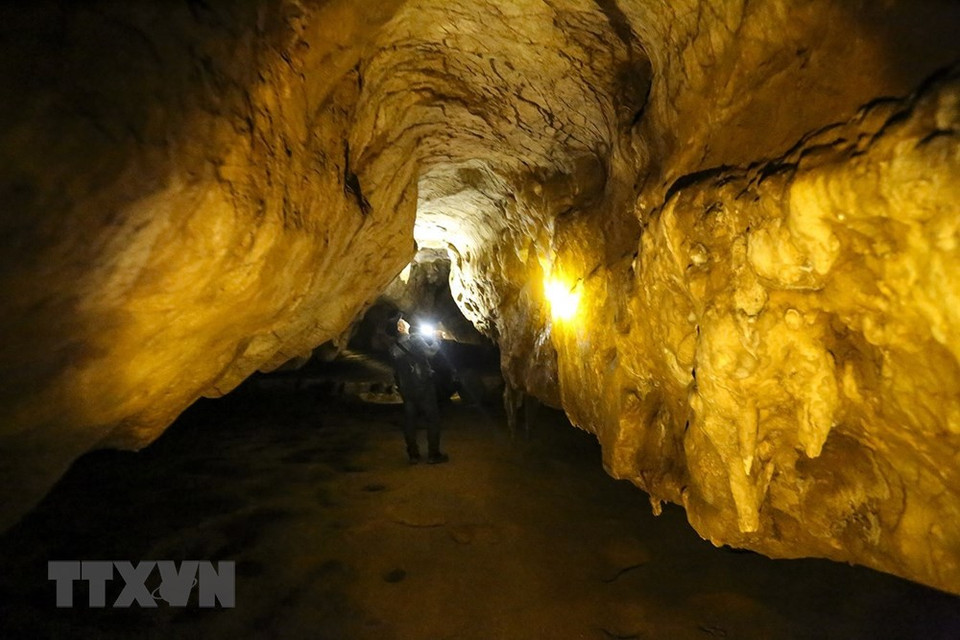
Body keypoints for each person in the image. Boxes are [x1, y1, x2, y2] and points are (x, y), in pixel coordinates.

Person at [387, 317, 449, 464]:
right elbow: (430, 352)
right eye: (401, 321)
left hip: (406, 389)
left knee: (410, 421)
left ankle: (413, 455)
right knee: (432, 419)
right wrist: (437, 339)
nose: (404, 320)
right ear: (400, 328)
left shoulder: (392, 348)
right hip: (424, 386)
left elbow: (396, 370)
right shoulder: (415, 338)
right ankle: (434, 455)